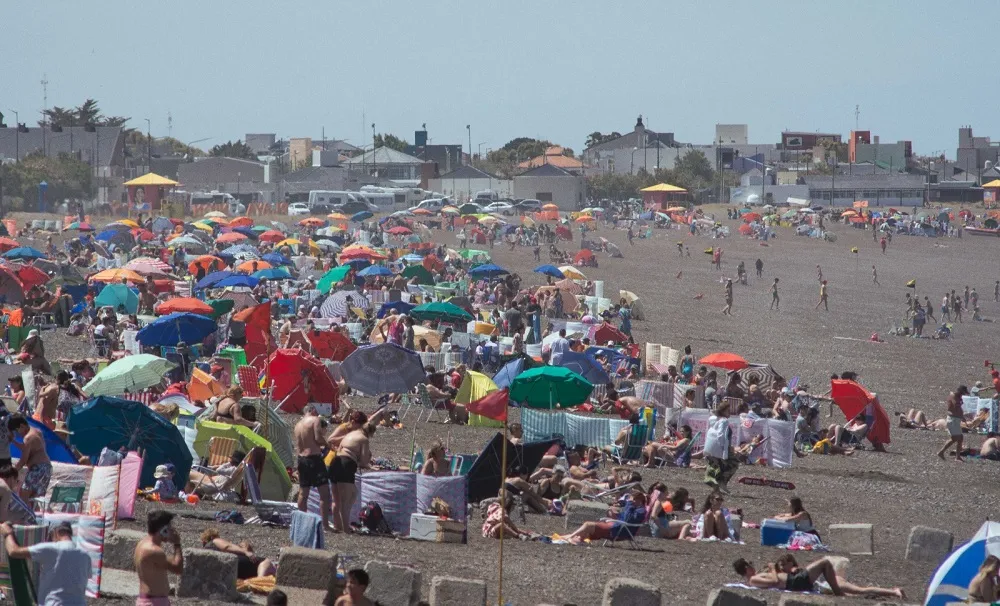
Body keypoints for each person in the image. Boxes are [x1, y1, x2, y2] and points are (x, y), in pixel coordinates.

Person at [1, 520, 91, 605]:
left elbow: (13, 551)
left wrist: (8, 533)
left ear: (55, 533)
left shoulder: (51, 549)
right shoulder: (85, 556)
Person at [732, 555, 902, 598]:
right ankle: (838, 592)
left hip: (797, 581)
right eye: (751, 564)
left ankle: (893, 592)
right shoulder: (753, 579)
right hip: (796, 582)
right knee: (825, 562)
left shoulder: (754, 579)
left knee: (856, 589)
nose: (754, 566)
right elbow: (776, 581)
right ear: (746, 568)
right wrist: (772, 569)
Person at [330, 421, 374, 533]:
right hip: (346, 464)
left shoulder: (350, 434)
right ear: (370, 433)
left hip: (335, 462)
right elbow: (364, 461)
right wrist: (369, 460)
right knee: (347, 499)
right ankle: (345, 529)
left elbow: (339, 447)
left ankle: (338, 525)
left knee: (344, 497)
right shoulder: (364, 439)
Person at [294, 407, 332, 529]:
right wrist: (327, 444)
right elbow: (318, 438)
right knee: (324, 493)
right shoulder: (315, 420)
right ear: (313, 411)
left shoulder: (298, 425)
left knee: (303, 493)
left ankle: (301, 523)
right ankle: (325, 525)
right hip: (314, 459)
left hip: (301, 459)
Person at [562, 490, 646, 545]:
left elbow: (628, 520)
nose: (630, 501)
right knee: (587, 529)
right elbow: (626, 518)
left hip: (619, 531)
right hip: (618, 527)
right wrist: (616, 514)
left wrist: (629, 504)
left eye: (632, 499)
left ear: (638, 500)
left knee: (588, 525)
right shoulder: (636, 508)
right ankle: (574, 538)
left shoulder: (641, 510)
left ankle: (570, 537)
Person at [135, 510, 184, 606]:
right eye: (170, 528)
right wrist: (177, 544)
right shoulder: (153, 550)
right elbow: (178, 568)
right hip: (153, 601)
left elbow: (164, 562)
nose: (172, 530)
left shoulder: (143, 544)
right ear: (163, 530)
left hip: (151, 600)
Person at [200, 528, 275, 579]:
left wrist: (245, 550)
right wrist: (246, 551)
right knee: (266, 565)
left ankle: (259, 580)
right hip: (256, 566)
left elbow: (228, 547)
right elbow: (227, 546)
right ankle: (260, 581)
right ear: (212, 536)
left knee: (263, 575)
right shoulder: (215, 540)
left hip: (253, 567)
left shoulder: (212, 546)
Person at [10, 413, 51, 501]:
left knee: (23, 494)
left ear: (21, 426)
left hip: (38, 469)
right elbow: (30, 449)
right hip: (46, 468)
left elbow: (23, 461)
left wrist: (11, 472)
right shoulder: (36, 431)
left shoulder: (28, 438)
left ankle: (24, 514)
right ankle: (36, 514)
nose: (18, 434)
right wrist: (13, 442)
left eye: (17, 431)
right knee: (36, 498)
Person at [703, 401, 737, 493]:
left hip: (712, 448)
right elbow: (721, 435)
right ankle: (722, 482)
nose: (730, 412)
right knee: (734, 463)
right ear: (723, 411)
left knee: (715, 465)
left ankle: (715, 487)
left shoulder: (714, 419)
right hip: (720, 448)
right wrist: (723, 448)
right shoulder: (724, 421)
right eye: (728, 410)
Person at [937, 385, 969, 461]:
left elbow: (959, 408)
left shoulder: (958, 397)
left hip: (956, 419)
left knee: (960, 438)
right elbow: (955, 407)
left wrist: (962, 416)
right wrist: (961, 416)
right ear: (960, 391)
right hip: (952, 419)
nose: (963, 395)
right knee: (955, 438)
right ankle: (941, 452)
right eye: (963, 393)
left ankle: (957, 457)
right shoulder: (954, 396)